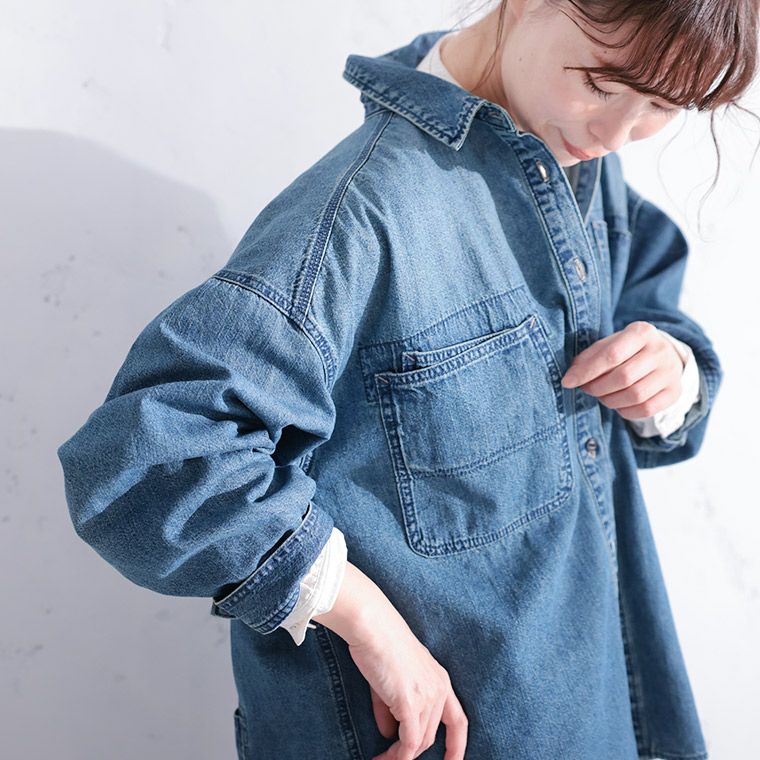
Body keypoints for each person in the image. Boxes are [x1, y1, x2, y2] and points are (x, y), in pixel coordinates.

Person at [57, 1, 758, 758]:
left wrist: (671, 372)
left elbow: (644, 283)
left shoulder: (571, 157)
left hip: (599, 701)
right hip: (436, 730)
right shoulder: (356, 212)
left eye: (663, 106)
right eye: (600, 83)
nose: (616, 134)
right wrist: (361, 615)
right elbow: (148, 464)